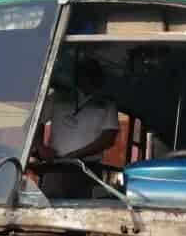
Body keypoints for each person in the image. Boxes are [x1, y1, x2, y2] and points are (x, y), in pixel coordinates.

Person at [29, 58, 119, 199]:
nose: (87, 76)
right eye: (83, 72)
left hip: (88, 170)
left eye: (92, 73)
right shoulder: (58, 97)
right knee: (50, 209)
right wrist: (40, 147)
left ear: (99, 77)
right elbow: (35, 122)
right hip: (55, 167)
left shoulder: (107, 103)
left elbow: (108, 139)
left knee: (84, 212)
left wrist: (76, 155)